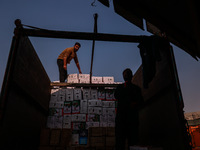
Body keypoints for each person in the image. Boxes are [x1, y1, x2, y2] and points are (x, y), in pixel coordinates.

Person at [115, 68, 143, 150]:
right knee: (123, 142)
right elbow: (116, 95)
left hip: (129, 120)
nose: (126, 76)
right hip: (126, 120)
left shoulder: (133, 89)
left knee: (130, 142)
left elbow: (140, 102)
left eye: (126, 74)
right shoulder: (122, 88)